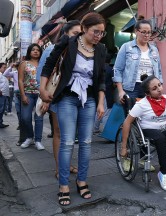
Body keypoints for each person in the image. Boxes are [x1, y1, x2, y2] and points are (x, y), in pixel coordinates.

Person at [40, 12, 106, 206]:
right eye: (96, 32)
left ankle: (82, 180)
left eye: (102, 33)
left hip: (89, 98)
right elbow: (49, 64)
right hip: (67, 97)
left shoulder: (101, 49)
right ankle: (63, 185)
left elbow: (101, 78)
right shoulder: (68, 42)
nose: (99, 36)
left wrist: (101, 102)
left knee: (86, 142)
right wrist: (42, 89)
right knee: (67, 141)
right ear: (85, 28)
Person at [121, 74, 166, 191]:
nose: (159, 89)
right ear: (147, 93)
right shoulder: (142, 104)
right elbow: (127, 123)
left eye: (159, 85)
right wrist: (124, 147)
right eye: (154, 89)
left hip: (165, 128)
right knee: (160, 138)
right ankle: (164, 173)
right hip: (148, 130)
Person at [37, 20, 81, 180]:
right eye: (75, 33)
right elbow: (43, 72)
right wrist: (44, 97)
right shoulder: (51, 49)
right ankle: (59, 167)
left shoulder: (81, 50)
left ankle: (67, 164)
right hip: (56, 96)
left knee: (70, 135)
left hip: (75, 98)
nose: (78, 37)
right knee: (59, 133)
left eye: (80, 34)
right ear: (65, 33)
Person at [113, 16, 163, 103]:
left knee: (149, 114)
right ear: (136, 31)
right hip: (132, 88)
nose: (146, 35)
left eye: (149, 32)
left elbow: (159, 70)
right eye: (143, 32)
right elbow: (118, 69)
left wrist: (160, 87)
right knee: (132, 114)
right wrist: (121, 91)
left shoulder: (154, 49)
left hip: (151, 88)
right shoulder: (126, 47)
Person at [18, 44, 44, 150]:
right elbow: (20, 80)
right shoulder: (24, 63)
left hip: (40, 95)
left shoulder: (43, 63)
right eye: (33, 50)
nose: (36, 51)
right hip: (27, 94)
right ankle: (29, 137)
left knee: (39, 118)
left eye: (38, 50)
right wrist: (23, 95)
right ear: (29, 51)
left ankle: (38, 140)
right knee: (25, 118)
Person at [3, 62, 20, 129]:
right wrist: (11, 66)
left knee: (24, 111)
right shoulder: (14, 73)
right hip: (16, 93)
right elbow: (5, 74)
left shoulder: (26, 72)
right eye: (17, 66)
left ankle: (25, 124)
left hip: (25, 93)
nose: (18, 67)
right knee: (18, 110)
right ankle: (20, 124)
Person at [0, 62, 9, 128]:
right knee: (0, 109)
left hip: (5, 94)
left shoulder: (3, 75)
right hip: (1, 94)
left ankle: (1, 122)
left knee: (2, 109)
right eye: (4, 67)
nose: (5, 69)